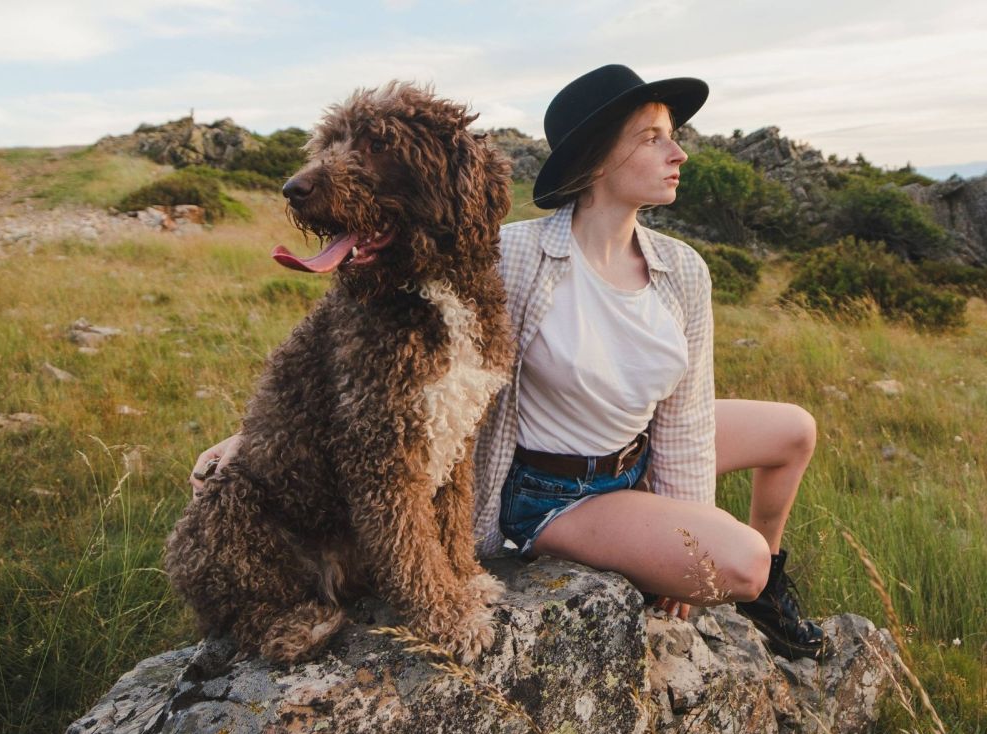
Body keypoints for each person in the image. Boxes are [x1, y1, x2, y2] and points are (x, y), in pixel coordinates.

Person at [191, 64, 828, 660]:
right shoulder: (512, 257)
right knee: (740, 563)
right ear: (598, 156)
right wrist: (252, 437)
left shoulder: (683, 270)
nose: (678, 153)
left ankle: (774, 584)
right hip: (558, 489)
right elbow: (365, 371)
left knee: (794, 429)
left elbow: (685, 420)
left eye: (674, 137)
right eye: (653, 138)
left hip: (636, 452)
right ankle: (757, 575)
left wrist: (683, 538)